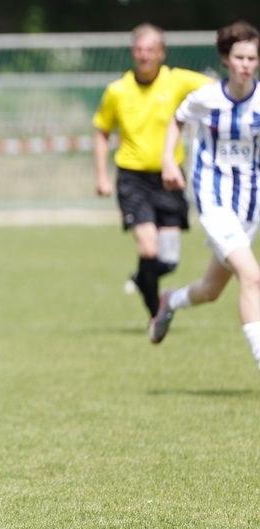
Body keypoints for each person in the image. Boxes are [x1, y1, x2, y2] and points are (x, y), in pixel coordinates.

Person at [151, 21, 260, 364]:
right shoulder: (208, 97)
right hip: (213, 200)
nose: (245, 64)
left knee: (211, 291)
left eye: (252, 58)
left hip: (249, 205)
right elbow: (177, 119)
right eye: (239, 57)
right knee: (252, 276)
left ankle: (171, 300)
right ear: (227, 59)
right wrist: (169, 158)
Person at [92, 23, 213, 320]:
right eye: (139, 50)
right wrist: (101, 175)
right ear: (133, 52)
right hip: (132, 177)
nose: (144, 56)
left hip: (170, 178)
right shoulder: (117, 91)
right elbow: (101, 131)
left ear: (161, 53)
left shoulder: (177, 81)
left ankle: (142, 280)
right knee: (149, 250)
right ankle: (155, 313)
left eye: (150, 50)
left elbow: (219, 93)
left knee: (168, 260)